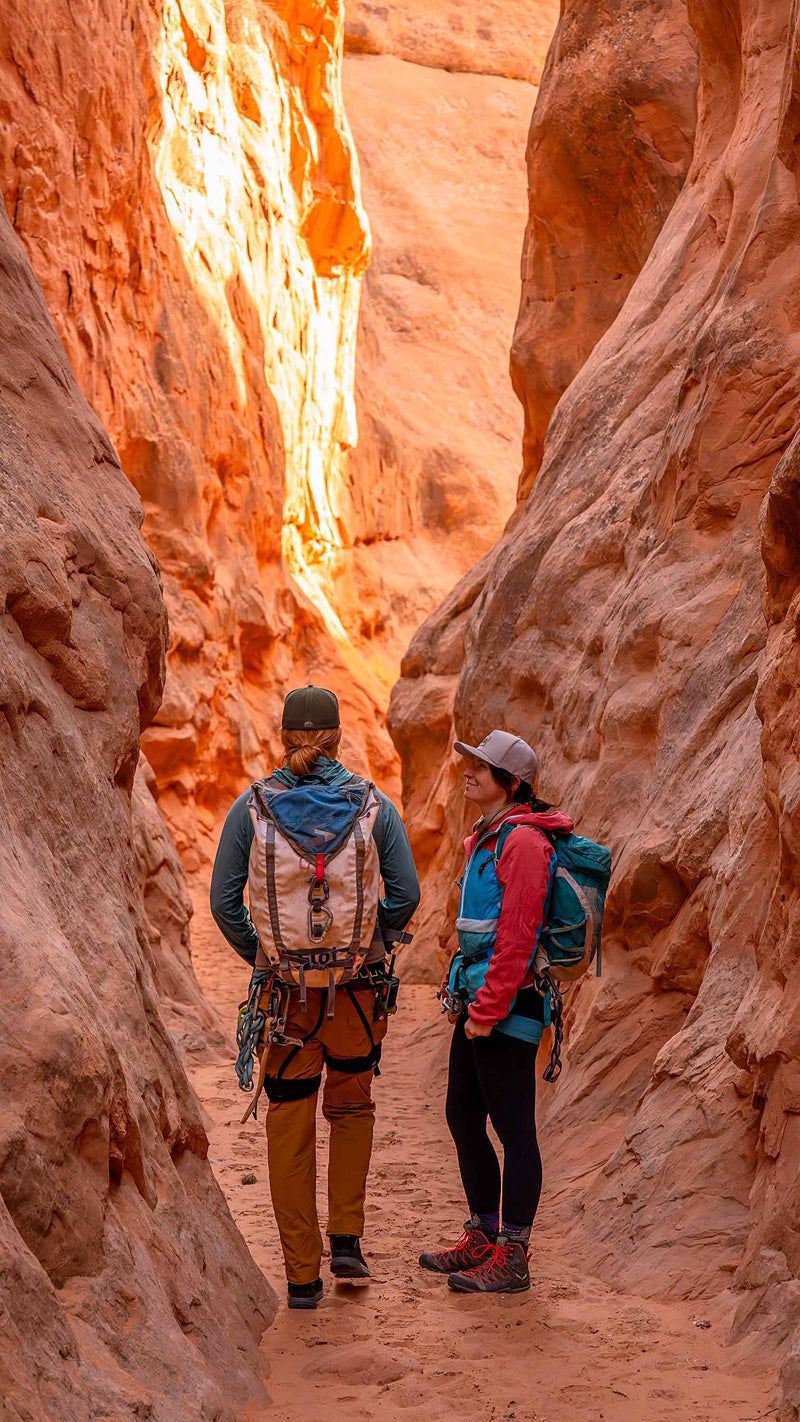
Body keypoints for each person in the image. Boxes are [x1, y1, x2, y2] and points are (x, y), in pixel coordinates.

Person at [211, 685, 420, 1310]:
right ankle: (348, 1240)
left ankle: (303, 1275)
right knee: (352, 1109)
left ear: (283, 736)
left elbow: (224, 903)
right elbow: (405, 893)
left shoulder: (250, 808)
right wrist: (371, 945)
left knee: (290, 1118)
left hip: (286, 1001)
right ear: (337, 737)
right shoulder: (374, 807)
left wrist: (266, 957)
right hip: (356, 995)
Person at [419, 729, 573, 1295]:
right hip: (480, 999)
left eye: (482, 767)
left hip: (508, 1002)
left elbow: (517, 935)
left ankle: (513, 1255)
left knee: (513, 1128)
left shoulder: (525, 844)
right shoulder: (490, 837)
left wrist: (489, 1007)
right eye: (471, 763)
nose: (469, 771)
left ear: (511, 783)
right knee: (463, 1115)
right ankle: (483, 1234)